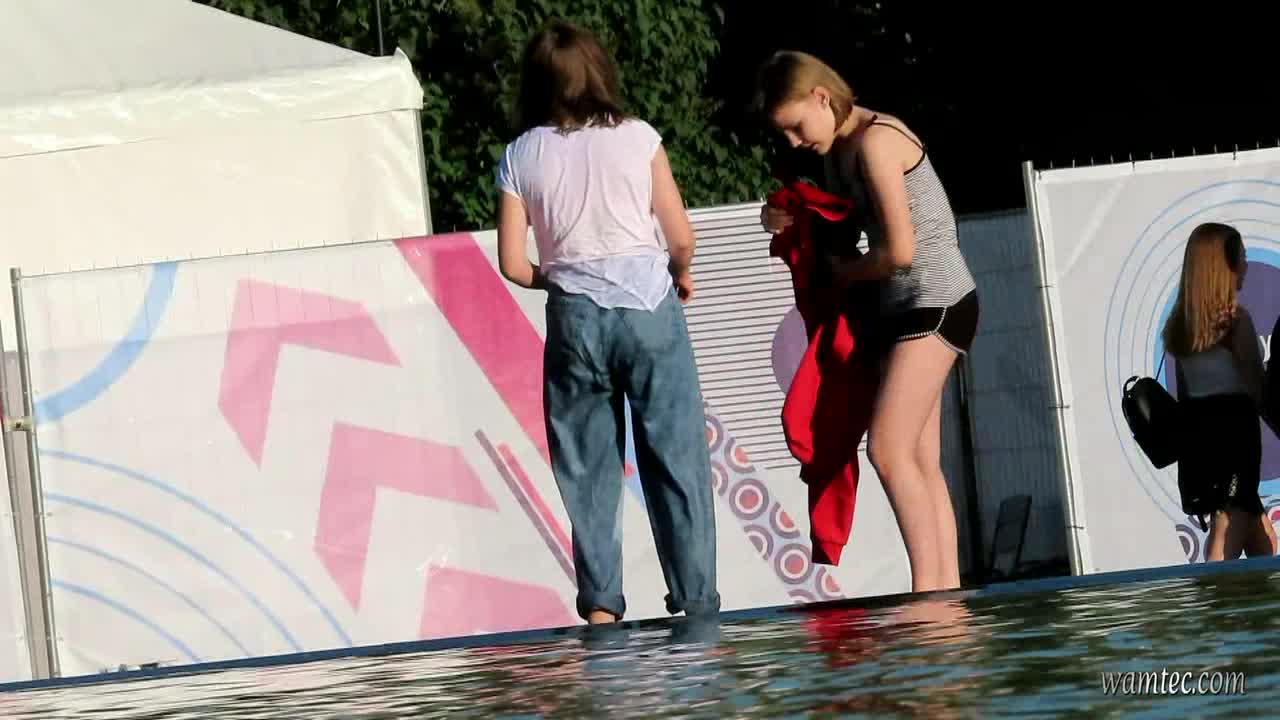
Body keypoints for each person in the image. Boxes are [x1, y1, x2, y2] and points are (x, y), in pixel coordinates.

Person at [493, 20, 720, 624]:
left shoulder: (520, 155)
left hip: (576, 320)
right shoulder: (639, 137)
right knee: (675, 460)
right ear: (599, 72)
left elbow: (512, 264)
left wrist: (559, 282)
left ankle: (600, 609)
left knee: (587, 469)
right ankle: (696, 606)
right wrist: (680, 272)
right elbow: (681, 237)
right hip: (649, 308)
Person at [754, 50, 978, 592]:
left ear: (821, 98)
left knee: (888, 449)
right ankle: (946, 595)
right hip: (902, 310)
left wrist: (844, 274)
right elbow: (833, 221)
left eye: (796, 127)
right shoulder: (839, 149)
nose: (794, 142)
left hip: (937, 302)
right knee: (920, 459)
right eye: (784, 135)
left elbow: (899, 250)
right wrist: (777, 214)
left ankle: (928, 592)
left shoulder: (877, 142)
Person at [1163, 222, 1275, 561]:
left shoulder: (1182, 327)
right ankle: (1212, 593)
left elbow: (1185, 395)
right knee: (1227, 526)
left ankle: (1260, 593)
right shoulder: (1235, 322)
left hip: (1202, 439)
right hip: (1236, 439)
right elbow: (1258, 389)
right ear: (1221, 266)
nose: (1245, 266)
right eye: (1240, 257)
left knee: (1264, 541)